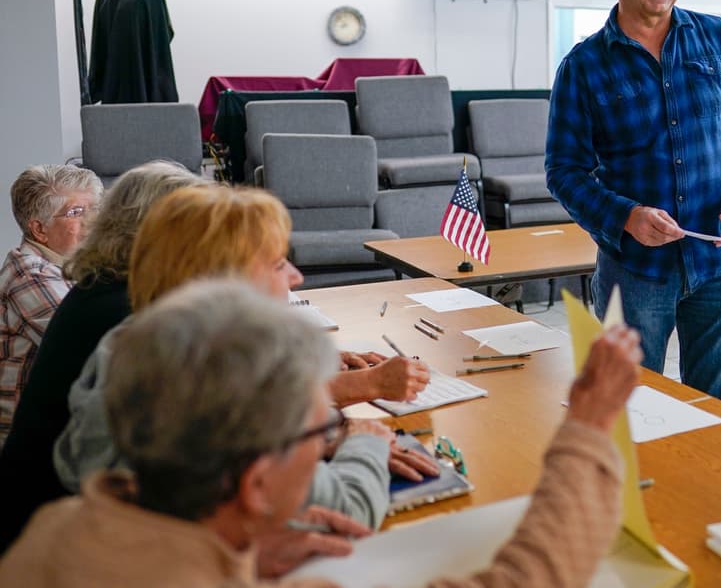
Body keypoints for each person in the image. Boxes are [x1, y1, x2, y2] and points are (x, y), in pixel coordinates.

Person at [0, 279, 643, 588]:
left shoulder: (53, 533)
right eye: (321, 431)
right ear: (255, 485)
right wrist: (587, 427)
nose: (329, 439)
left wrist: (243, 556)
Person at [51, 185, 437, 552]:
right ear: (227, 281)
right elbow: (346, 510)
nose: (296, 276)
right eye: (278, 264)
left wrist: (319, 441)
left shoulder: (128, 339)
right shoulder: (221, 377)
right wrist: (367, 440)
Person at [546, 0, 721, 407]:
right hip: (635, 273)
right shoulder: (584, 67)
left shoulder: (719, 39)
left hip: (719, 262)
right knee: (632, 411)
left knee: (719, 414)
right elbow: (564, 171)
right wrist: (626, 216)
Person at [0, 161, 205, 552]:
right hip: (49, 520)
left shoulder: (102, 283)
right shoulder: (93, 298)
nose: (91, 221)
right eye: (78, 212)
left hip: (63, 493)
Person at [0, 164, 102, 449]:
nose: (93, 221)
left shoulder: (71, 267)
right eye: (76, 212)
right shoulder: (30, 275)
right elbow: (92, 351)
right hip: (26, 447)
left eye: (95, 209)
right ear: (39, 229)